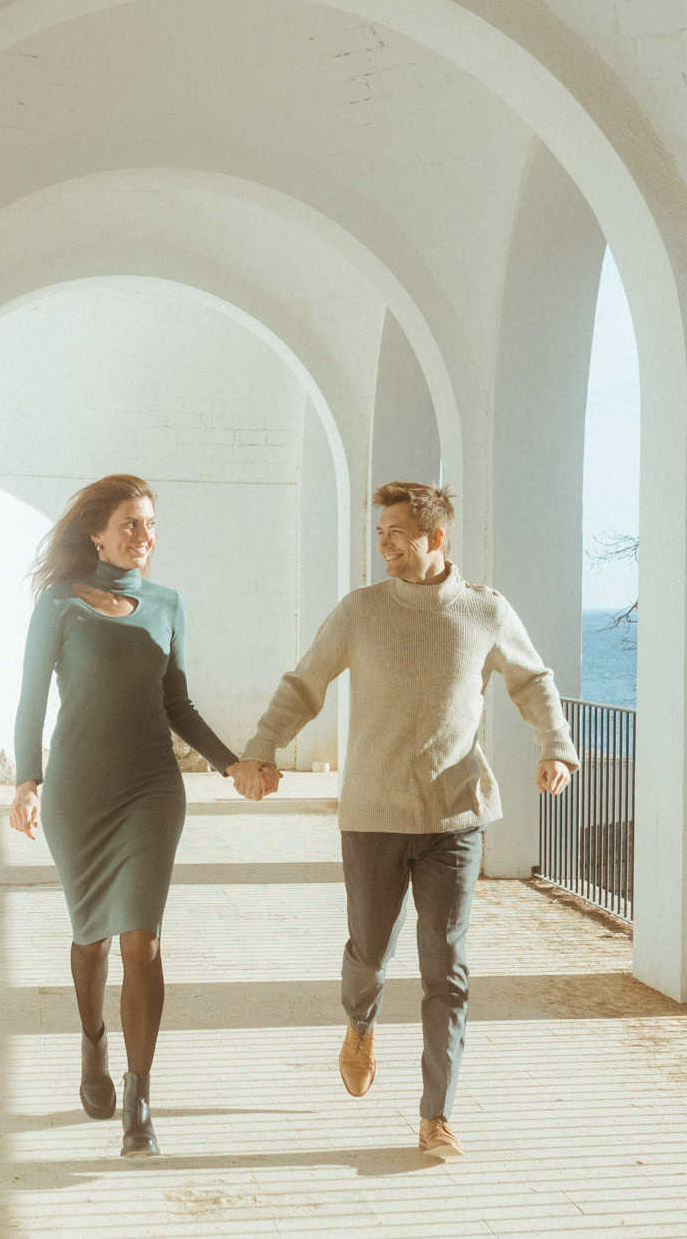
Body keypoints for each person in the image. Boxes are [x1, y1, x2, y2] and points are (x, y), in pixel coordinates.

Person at [228, 481, 577, 1161]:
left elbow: (532, 680)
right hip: (373, 815)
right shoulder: (360, 612)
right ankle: (360, 1019)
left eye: (396, 533)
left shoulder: (484, 610)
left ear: (436, 538)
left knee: (446, 968)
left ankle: (436, 1115)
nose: (383, 544)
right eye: (379, 532)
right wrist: (261, 746)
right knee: (370, 955)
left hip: (455, 817)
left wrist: (556, 747)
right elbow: (306, 683)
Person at [8, 474, 241, 1160]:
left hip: (151, 790)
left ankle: (139, 1101)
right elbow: (28, 701)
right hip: (78, 793)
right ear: (97, 532)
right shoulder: (58, 603)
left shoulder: (167, 603)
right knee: (93, 940)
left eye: (150, 525)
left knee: (141, 938)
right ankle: (93, 1043)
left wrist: (233, 764)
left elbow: (180, 705)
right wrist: (26, 779)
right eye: (132, 524)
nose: (145, 537)